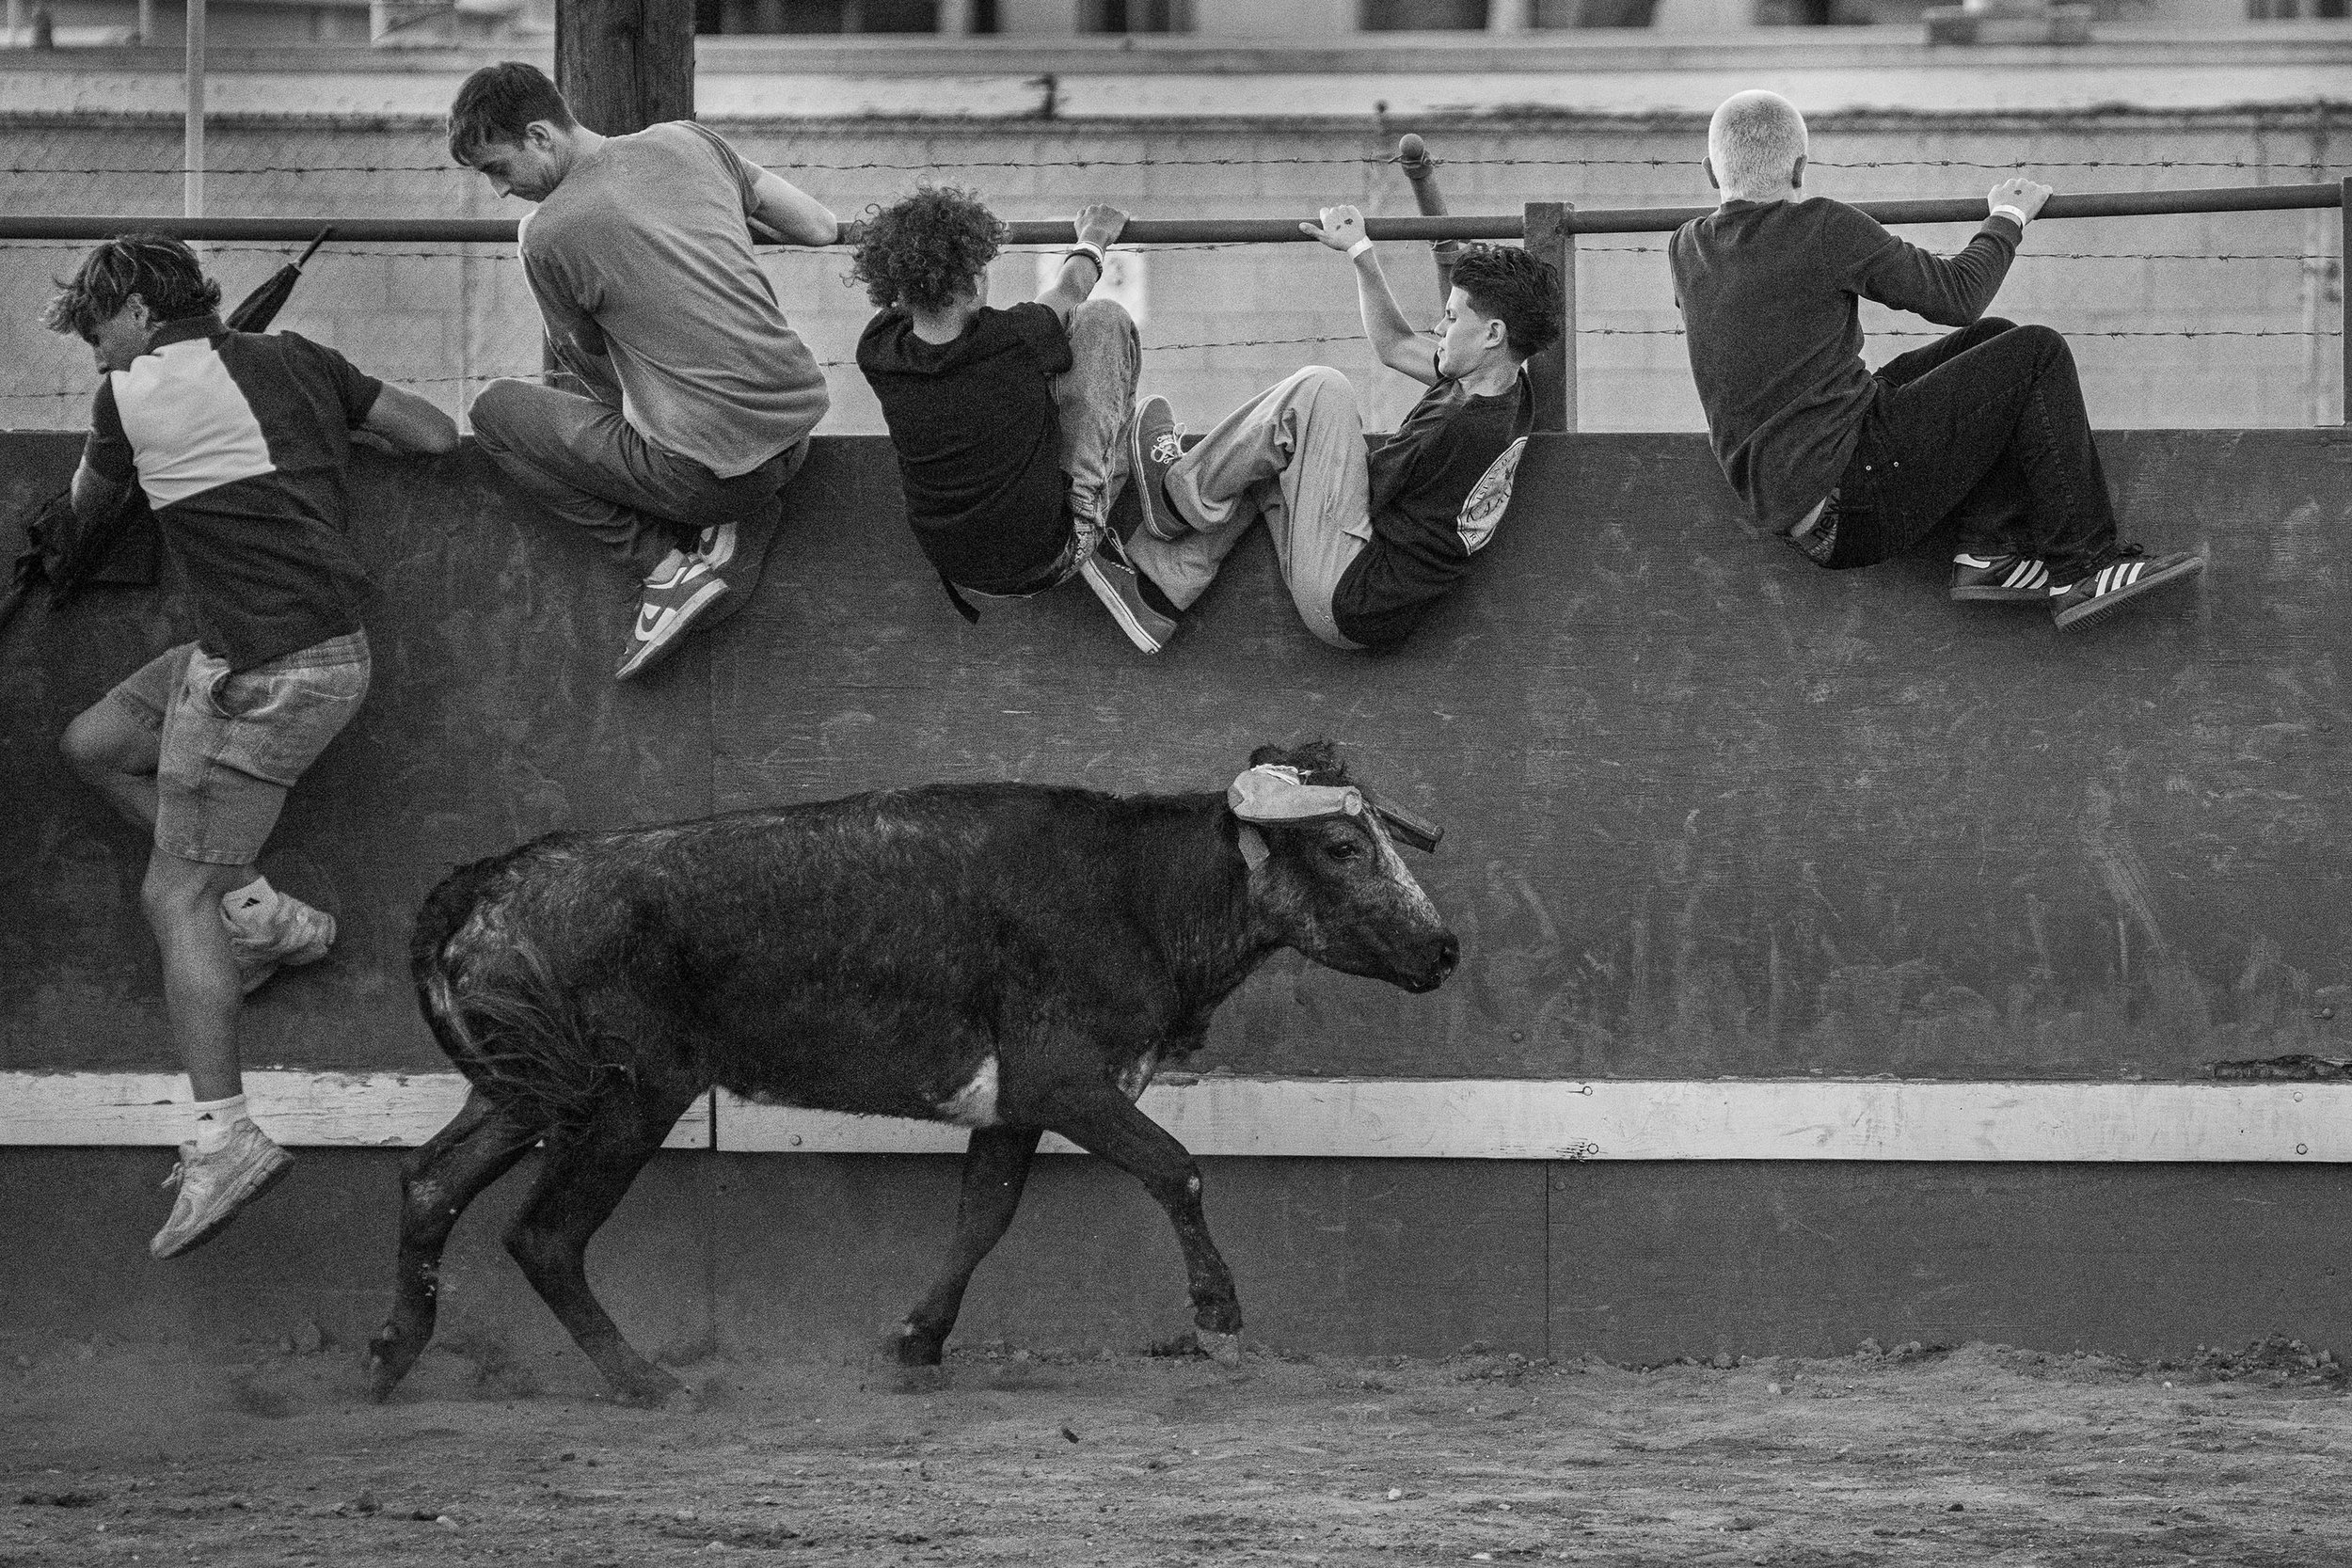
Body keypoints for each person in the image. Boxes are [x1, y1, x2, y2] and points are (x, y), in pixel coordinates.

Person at [41, 234, 459, 1259]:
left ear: (136, 310)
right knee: (93, 742)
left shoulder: (126, 396)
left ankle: (224, 1133)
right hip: (303, 651)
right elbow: (436, 436)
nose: (99, 357)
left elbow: (86, 522)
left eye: (99, 332)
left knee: (171, 894)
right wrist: (307, 436)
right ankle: (261, 914)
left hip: (262, 676)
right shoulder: (305, 361)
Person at [1670, 88, 2201, 631]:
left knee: (1995, 339)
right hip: (1851, 499)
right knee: (2037, 352)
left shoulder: (1687, 247)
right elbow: (1957, 297)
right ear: (1801, 168)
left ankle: (1988, 554)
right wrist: (2008, 219)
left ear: (1711, 172)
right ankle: (2084, 565)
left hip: (1801, 497)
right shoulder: (1824, 228)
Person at [447, 61, 837, 679]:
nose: (500, 188)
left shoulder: (546, 233)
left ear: (542, 136)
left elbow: (586, 361)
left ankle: (665, 571)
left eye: (499, 168)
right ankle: (738, 515)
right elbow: (819, 227)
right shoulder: (687, 141)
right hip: (796, 434)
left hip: (708, 477)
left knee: (496, 414)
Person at [1120, 214, 1558, 652]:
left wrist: (1316, 437)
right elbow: (1394, 344)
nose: (1439, 329)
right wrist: (1359, 250)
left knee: (1319, 390)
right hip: (1372, 606)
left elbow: (1366, 489)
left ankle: (1174, 496)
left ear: (1493, 334)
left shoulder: (1455, 427)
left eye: (1451, 316)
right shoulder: (1503, 387)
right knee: (1272, 452)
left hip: (1348, 589)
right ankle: (1157, 593)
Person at [851, 187, 1172, 652]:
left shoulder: (879, 350)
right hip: (1050, 556)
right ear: (975, 280)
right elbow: (1070, 290)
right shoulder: (1014, 340)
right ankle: (1102, 518)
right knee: (1101, 320)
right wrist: (1094, 237)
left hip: (956, 565)